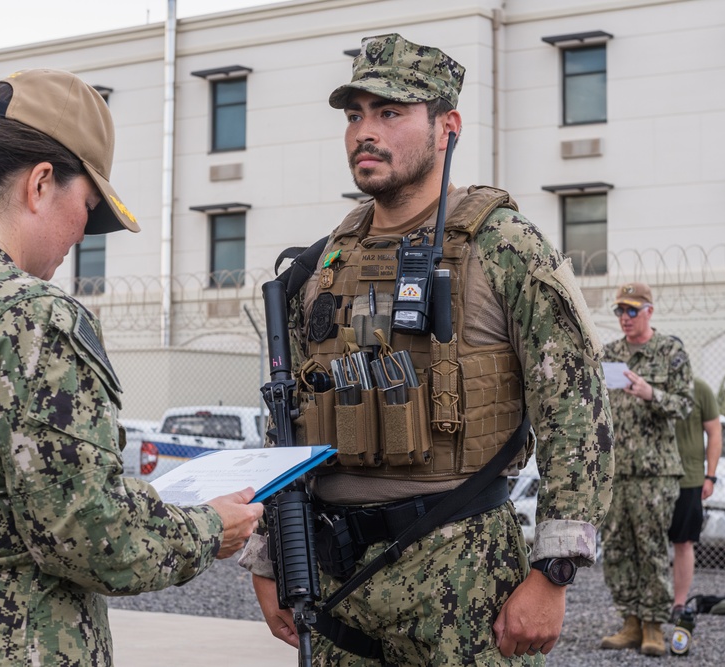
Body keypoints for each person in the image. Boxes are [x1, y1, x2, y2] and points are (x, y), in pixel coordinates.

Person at [0, 68, 263, 666]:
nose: (84, 231)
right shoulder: (32, 314)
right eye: (86, 205)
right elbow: (89, 537)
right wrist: (209, 528)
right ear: (40, 184)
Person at [239, 34, 614, 665]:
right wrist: (272, 552)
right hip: (340, 582)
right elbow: (290, 422)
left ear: (448, 126)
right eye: (355, 114)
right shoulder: (322, 261)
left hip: (463, 577)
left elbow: (576, 411)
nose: (365, 131)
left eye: (390, 112)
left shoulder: (505, 247)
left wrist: (554, 572)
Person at [600, 282, 693, 656]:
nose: (625, 317)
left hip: (655, 472)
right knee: (618, 547)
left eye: (632, 311)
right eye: (620, 311)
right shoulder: (610, 355)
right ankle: (630, 622)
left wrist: (651, 394)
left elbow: (686, 405)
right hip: (617, 469)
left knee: (652, 548)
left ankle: (654, 625)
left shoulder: (670, 351)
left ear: (649, 311)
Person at [670, 375, 722, 621]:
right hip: (650, 479)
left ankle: (679, 603)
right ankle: (647, 607)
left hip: (689, 479)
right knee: (647, 545)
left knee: (684, 542)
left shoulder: (700, 389)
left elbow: (714, 432)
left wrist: (710, 476)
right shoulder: (647, 386)